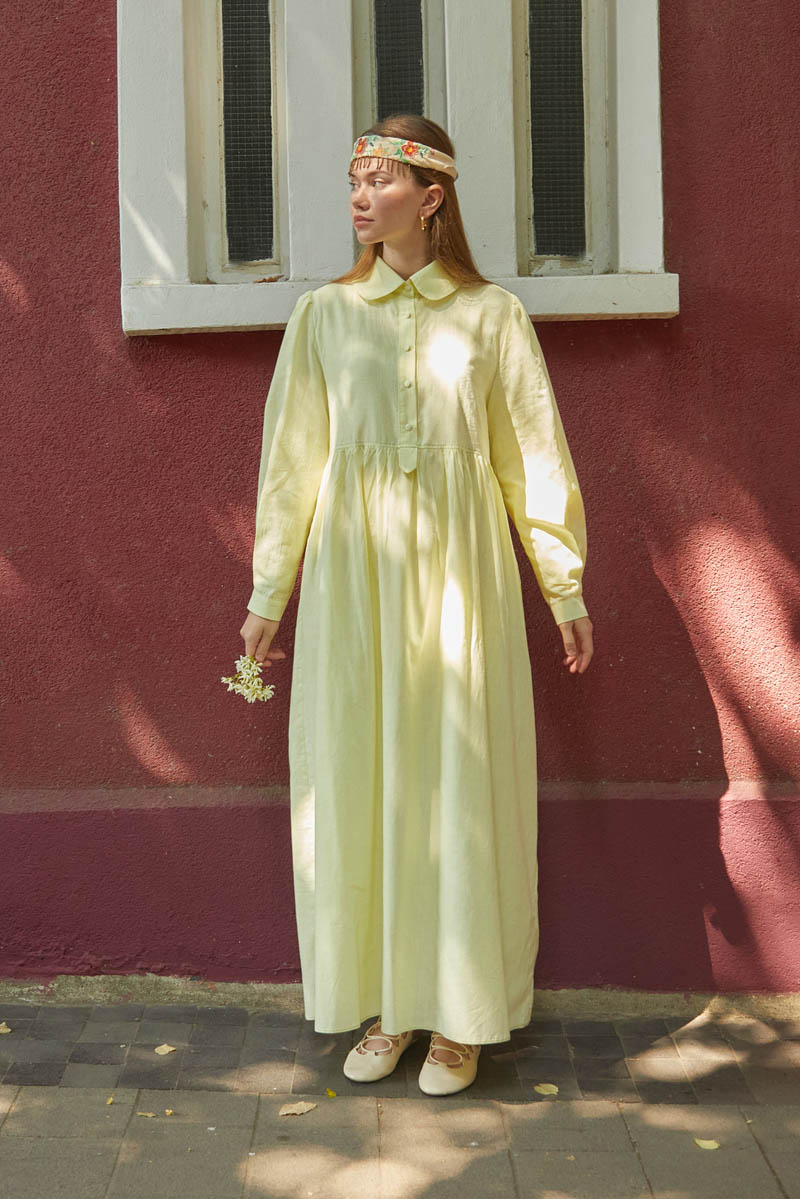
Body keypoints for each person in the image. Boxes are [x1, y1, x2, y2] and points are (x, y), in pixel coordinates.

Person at [239, 114, 593, 1096]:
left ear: (431, 197)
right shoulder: (322, 316)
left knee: (456, 779)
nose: (360, 197)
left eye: (381, 180)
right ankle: (390, 1004)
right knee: (363, 775)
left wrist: (560, 579)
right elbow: (291, 462)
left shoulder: (492, 317)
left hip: (459, 583)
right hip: (354, 580)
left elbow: (531, 456)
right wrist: (269, 589)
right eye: (354, 180)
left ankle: (459, 1014)